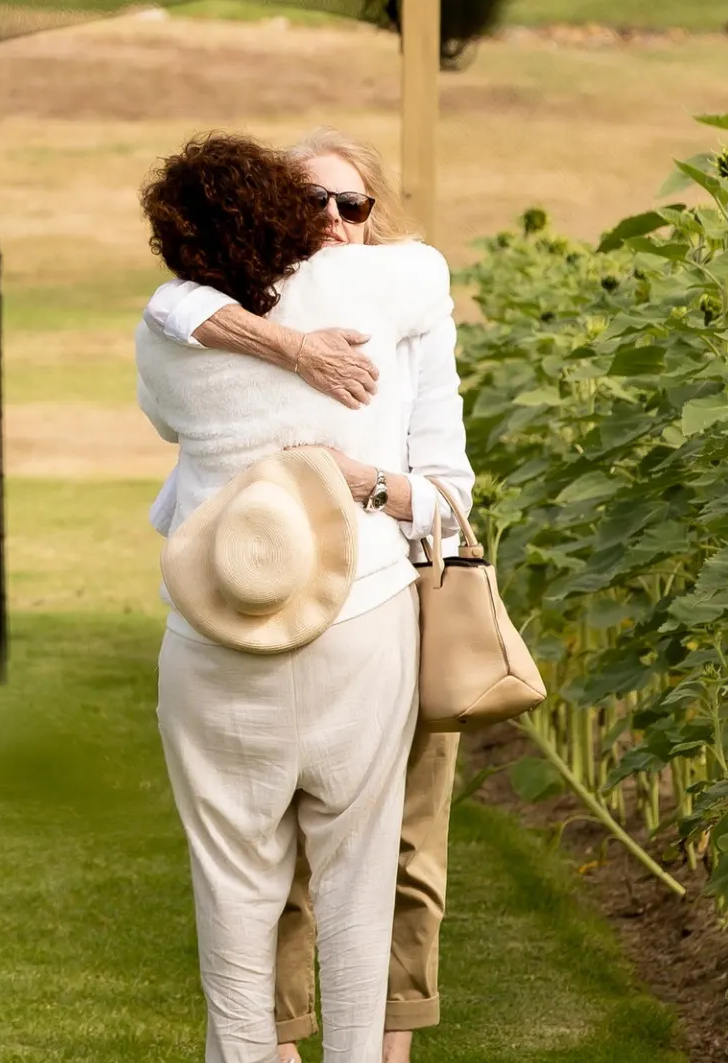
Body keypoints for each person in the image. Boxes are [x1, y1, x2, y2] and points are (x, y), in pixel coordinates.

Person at [134, 132, 472, 1063]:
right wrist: (295, 350)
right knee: (358, 883)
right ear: (278, 211)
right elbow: (425, 277)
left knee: (231, 892)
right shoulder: (400, 284)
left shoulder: (171, 323)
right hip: (359, 626)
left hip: (210, 638)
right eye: (311, 203)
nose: (332, 222)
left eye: (350, 205)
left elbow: (165, 361)